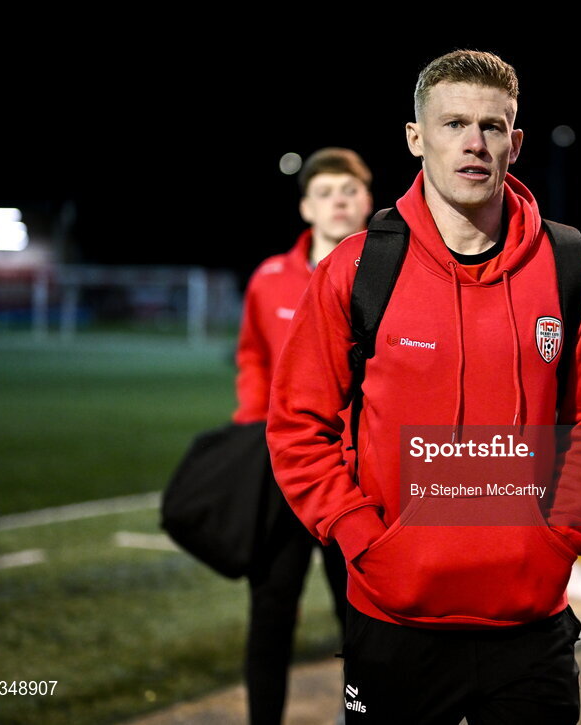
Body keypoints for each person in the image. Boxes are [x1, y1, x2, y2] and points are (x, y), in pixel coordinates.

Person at [267, 50, 581, 724]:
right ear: (415, 137)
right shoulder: (358, 268)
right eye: (454, 122)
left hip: (529, 622)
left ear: (515, 144)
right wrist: (363, 538)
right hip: (395, 616)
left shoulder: (570, 264)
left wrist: (560, 540)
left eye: (493, 126)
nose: (473, 143)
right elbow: (296, 425)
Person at [233, 147, 373, 723]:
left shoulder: (394, 269)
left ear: (368, 199)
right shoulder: (269, 279)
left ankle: (361, 716)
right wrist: (253, 431)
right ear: (305, 207)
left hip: (359, 474)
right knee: (270, 610)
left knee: (361, 613)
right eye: (325, 193)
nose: (338, 202)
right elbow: (252, 359)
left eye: (349, 190)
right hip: (283, 474)